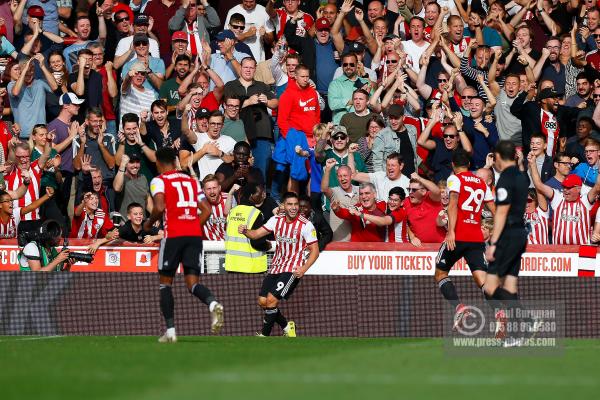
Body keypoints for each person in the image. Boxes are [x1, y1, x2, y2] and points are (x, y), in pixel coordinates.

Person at [143, 147, 224, 343]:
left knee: (165, 284)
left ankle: (170, 332)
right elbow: (206, 210)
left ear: (158, 163)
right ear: (175, 161)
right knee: (192, 283)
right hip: (194, 236)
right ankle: (213, 303)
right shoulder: (192, 181)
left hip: (173, 236)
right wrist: (192, 226)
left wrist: (148, 223)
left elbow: (160, 207)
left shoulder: (158, 180)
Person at [239, 191, 320, 337]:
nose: (294, 207)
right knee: (263, 301)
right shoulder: (276, 220)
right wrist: (245, 231)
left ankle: (264, 335)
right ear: (283, 205)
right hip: (276, 266)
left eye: (296, 204)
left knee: (271, 300)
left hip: (292, 269)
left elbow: (315, 250)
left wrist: (304, 268)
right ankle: (286, 326)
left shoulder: (306, 225)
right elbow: (256, 234)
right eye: (290, 204)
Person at [435, 148, 495, 330]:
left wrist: (451, 231)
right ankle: (500, 312)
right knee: (482, 280)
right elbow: (494, 210)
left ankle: (460, 308)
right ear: (469, 165)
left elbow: (453, 204)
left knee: (440, 273)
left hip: (459, 234)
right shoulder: (481, 183)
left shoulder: (455, 179)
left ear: (453, 165)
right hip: (476, 237)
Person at [484, 141, 532, 346]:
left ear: (498, 157)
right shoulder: (522, 177)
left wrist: (493, 242)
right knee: (510, 286)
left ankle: (526, 321)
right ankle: (517, 335)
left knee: (490, 288)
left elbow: (501, 212)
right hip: (521, 233)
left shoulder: (505, 179)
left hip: (508, 235)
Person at [224, 182, 271, 274]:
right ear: (251, 195)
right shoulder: (255, 213)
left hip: (232, 266)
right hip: (251, 268)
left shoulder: (232, 212)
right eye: (260, 193)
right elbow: (257, 242)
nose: (262, 195)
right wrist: (267, 245)